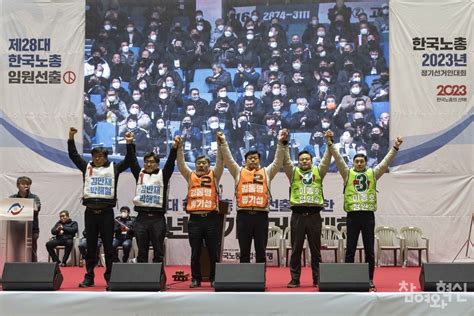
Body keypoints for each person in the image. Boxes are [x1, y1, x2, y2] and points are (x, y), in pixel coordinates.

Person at [326, 130, 403, 289]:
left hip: (368, 216)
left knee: (369, 250)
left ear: (366, 163)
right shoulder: (347, 173)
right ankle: (348, 279)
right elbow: (339, 159)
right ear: (353, 163)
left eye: (362, 161)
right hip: (353, 216)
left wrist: (395, 148)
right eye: (357, 161)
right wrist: (330, 142)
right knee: (350, 250)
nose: (359, 163)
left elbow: (385, 162)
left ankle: (369, 279)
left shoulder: (373, 174)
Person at [68, 127, 134, 288]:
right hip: (90, 213)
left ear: (106, 157)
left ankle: (110, 277)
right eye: (95, 156)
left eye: (100, 156)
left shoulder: (114, 168)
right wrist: (71, 138)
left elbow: (130, 160)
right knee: (90, 247)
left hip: (106, 213)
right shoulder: (87, 168)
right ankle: (89, 277)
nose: (97, 159)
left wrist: (129, 143)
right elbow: (74, 156)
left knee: (109, 247)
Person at [218, 129, 288, 263]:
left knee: (261, 251)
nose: (253, 160)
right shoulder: (238, 171)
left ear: (259, 160)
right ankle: (245, 281)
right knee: (244, 251)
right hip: (243, 216)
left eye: (255, 158)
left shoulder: (266, 172)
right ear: (245, 161)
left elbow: (278, 161)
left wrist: (280, 143)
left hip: (261, 216)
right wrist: (223, 143)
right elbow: (228, 158)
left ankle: (260, 280)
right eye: (250, 158)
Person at [176, 136, 224, 288]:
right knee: (195, 251)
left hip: (211, 218)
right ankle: (195, 279)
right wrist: (180, 147)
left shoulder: (215, 175)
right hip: (194, 220)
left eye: (205, 163)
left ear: (209, 165)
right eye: (199, 163)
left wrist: (220, 144)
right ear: (195, 165)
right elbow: (181, 164)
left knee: (212, 252)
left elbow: (221, 162)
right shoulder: (190, 176)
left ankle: (214, 278)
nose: (202, 165)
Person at [283, 143, 332, 288]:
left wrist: (329, 144)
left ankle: (318, 279)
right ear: (298, 161)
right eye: (302, 159)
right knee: (296, 249)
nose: (304, 161)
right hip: (297, 216)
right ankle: (295, 279)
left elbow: (326, 160)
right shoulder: (293, 173)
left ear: (312, 160)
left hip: (314, 216)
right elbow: (285, 161)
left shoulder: (318, 171)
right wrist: (284, 144)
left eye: (307, 159)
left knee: (316, 250)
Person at [129, 133, 178, 264]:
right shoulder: (139, 174)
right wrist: (130, 144)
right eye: (146, 162)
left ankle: (158, 280)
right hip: (141, 218)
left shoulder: (163, 174)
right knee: (142, 252)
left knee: (158, 252)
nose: (149, 164)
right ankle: (142, 281)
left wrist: (174, 148)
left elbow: (171, 163)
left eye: (152, 162)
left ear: (157, 164)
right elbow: (132, 161)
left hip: (157, 219)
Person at [9, 176, 41, 262]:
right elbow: (7, 211)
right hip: (16, 229)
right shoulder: (12, 198)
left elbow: (36, 209)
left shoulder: (35, 198)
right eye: (23, 183)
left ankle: (33, 269)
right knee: (16, 250)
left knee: (32, 251)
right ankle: (16, 269)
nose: (26, 185)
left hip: (32, 229)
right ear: (18, 185)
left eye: (28, 184)